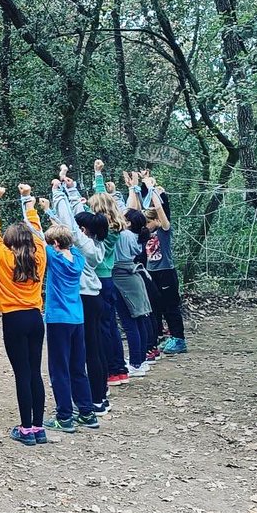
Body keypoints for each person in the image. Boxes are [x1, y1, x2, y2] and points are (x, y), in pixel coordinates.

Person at [0, 184, 48, 447]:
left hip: (14, 319)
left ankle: (26, 428)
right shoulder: (40, 256)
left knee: (21, 373)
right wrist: (27, 200)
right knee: (34, 372)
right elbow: (38, 231)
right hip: (35, 318)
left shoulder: (3, 258)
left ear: (9, 244)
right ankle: (39, 428)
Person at [49, 167, 112, 416]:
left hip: (84, 299)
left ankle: (93, 399)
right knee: (95, 347)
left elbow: (70, 222)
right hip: (94, 296)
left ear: (84, 230)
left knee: (87, 352)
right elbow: (78, 217)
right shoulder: (95, 242)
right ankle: (100, 395)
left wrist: (57, 194)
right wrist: (71, 189)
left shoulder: (81, 244)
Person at [39, 216, 97, 433]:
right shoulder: (78, 258)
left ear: (54, 244)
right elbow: (72, 242)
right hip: (77, 319)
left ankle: (64, 416)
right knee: (77, 367)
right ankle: (86, 412)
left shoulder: (54, 257)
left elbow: (38, 240)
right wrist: (56, 220)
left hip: (58, 320)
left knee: (59, 368)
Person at [131, 175, 187, 355]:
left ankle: (178, 339)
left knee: (171, 306)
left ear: (156, 220)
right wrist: (135, 187)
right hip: (151, 272)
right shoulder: (145, 233)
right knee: (155, 306)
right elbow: (137, 212)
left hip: (166, 272)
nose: (146, 225)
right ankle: (159, 338)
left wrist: (152, 189)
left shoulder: (163, 230)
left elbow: (160, 211)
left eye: (149, 222)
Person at [109, 174, 156, 378]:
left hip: (123, 278)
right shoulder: (135, 235)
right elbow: (128, 209)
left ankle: (136, 362)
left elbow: (120, 214)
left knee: (129, 322)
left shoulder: (124, 235)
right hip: (133, 276)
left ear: (127, 222)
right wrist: (119, 193)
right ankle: (141, 359)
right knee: (139, 319)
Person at [91, 161, 130, 388]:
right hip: (108, 277)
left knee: (103, 326)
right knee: (110, 324)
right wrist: (98, 175)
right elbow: (101, 198)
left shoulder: (101, 229)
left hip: (100, 277)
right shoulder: (114, 223)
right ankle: (119, 368)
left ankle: (112, 370)